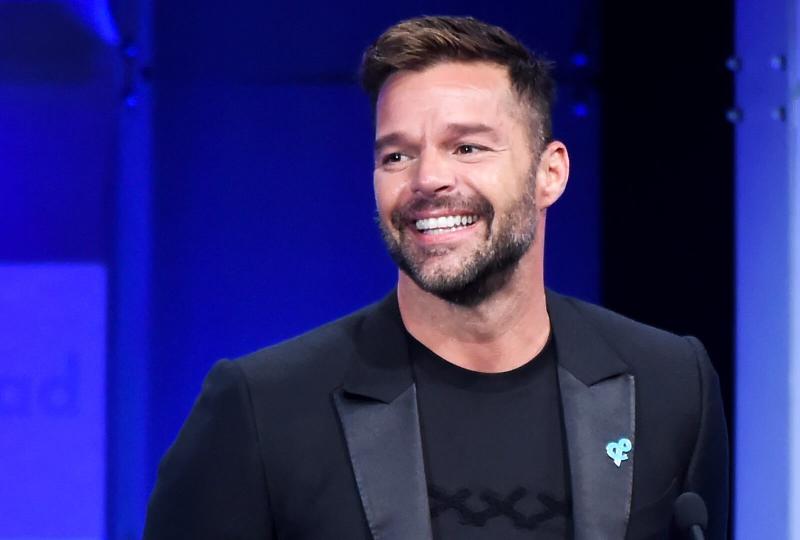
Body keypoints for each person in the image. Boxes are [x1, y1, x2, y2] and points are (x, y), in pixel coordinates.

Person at [144, 15, 729, 540]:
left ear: (549, 174)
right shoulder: (262, 408)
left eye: (467, 147)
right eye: (395, 156)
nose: (427, 179)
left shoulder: (670, 384)